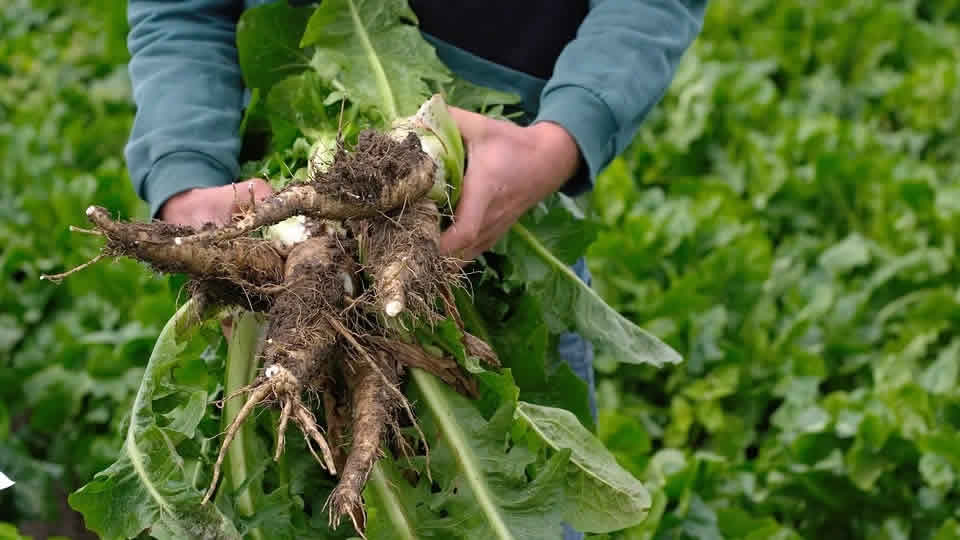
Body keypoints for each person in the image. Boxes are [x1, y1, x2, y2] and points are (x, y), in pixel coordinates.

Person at [125, 1, 706, 538]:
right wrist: (184, 178)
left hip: (497, 250)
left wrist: (560, 139)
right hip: (270, 286)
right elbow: (181, 10)